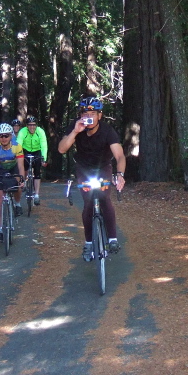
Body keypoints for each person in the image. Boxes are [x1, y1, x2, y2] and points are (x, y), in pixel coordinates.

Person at [57, 97, 126, 260]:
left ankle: (113, 239)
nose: (89, 117)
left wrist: (120, 175)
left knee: (104, 198)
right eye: (85, 113)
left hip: (103, 167)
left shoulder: (107, 131)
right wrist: (75, 131)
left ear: (100, 116)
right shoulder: (77, 126)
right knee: (88, 202)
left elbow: (120, 155)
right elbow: (61, 149)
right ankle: (88, 243)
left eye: (93, 113)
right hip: (83, 168)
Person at [0, 123, 26, 243]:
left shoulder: (17, 146)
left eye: (6, 136)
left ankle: (18, 204)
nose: (3, 138)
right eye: (0, 136)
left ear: (10, 136)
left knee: (17, 185)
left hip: (13, 168)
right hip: (1, 169)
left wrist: (22, 179)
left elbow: (20, 165)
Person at [16, 115, 48, 205]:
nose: (32, 127)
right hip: (25, 151)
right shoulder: (23, 131)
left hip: (37, 151)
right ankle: (25, 180)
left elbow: (44, 145)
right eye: (30, 125)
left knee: (37, 173)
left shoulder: (40, 132)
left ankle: (37, 195)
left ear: (36, 125)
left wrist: (44, 158)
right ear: (27, 126)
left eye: (34, 125)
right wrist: (18, 156)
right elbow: (19, 144)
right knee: (24, 167)